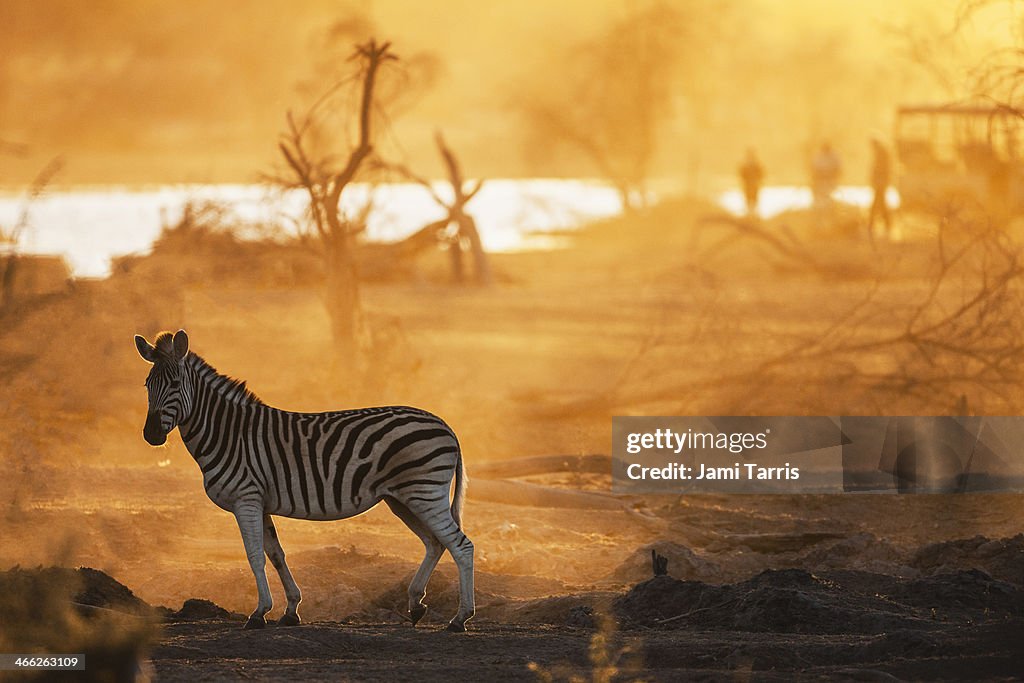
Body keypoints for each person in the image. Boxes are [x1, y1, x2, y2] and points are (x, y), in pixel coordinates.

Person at [867, 137, 892, 240]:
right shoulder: (882, 153)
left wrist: (877, 181)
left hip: (880, 183)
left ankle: (872, 225)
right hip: (881, 183)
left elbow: (880, 170)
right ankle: (884, 225)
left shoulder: (881, 154)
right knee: (881, 204)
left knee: (878, 204)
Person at [811, 141, 841, 207]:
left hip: (830, 178)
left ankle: (829, 206)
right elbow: (815, 168)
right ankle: (820, 207)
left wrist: (832, 175)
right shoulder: (818, 155)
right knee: (821, 193)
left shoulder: (834, 155)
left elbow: (838, 168)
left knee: (829, 192)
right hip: (821, 179)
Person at [738, 148, 765, 217]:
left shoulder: (755, 165)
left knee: (753, 199)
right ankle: (750, 214)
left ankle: (753, 214)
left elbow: (761, 174)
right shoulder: (746, 165)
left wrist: (758, 181)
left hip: (753, 185)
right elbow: (742, 174)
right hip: (749, 185)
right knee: (749, 199)